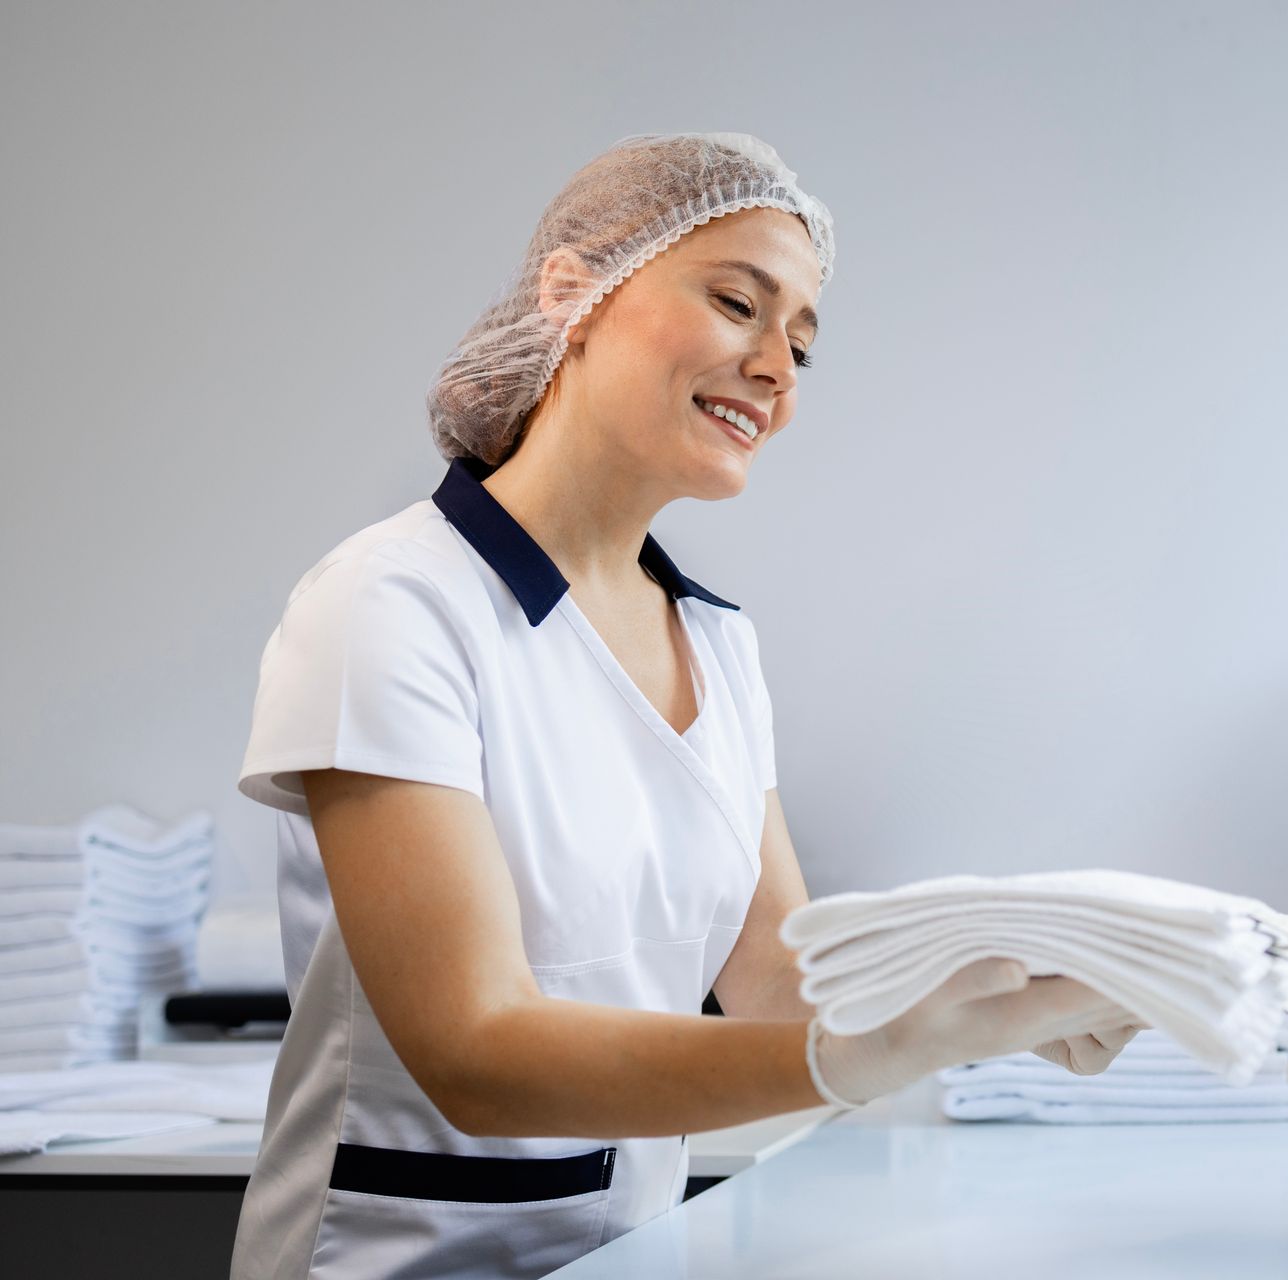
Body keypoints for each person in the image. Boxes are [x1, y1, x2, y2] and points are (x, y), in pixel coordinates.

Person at [229, 132, 1142, 1279]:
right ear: (574, 292)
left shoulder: (718, 641)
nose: (776, 367)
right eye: (736, 302)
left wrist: (1011, 982)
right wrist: (858, 1056)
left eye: (804, 344)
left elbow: (767, 977)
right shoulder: (392, 604)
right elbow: (473, 1043)